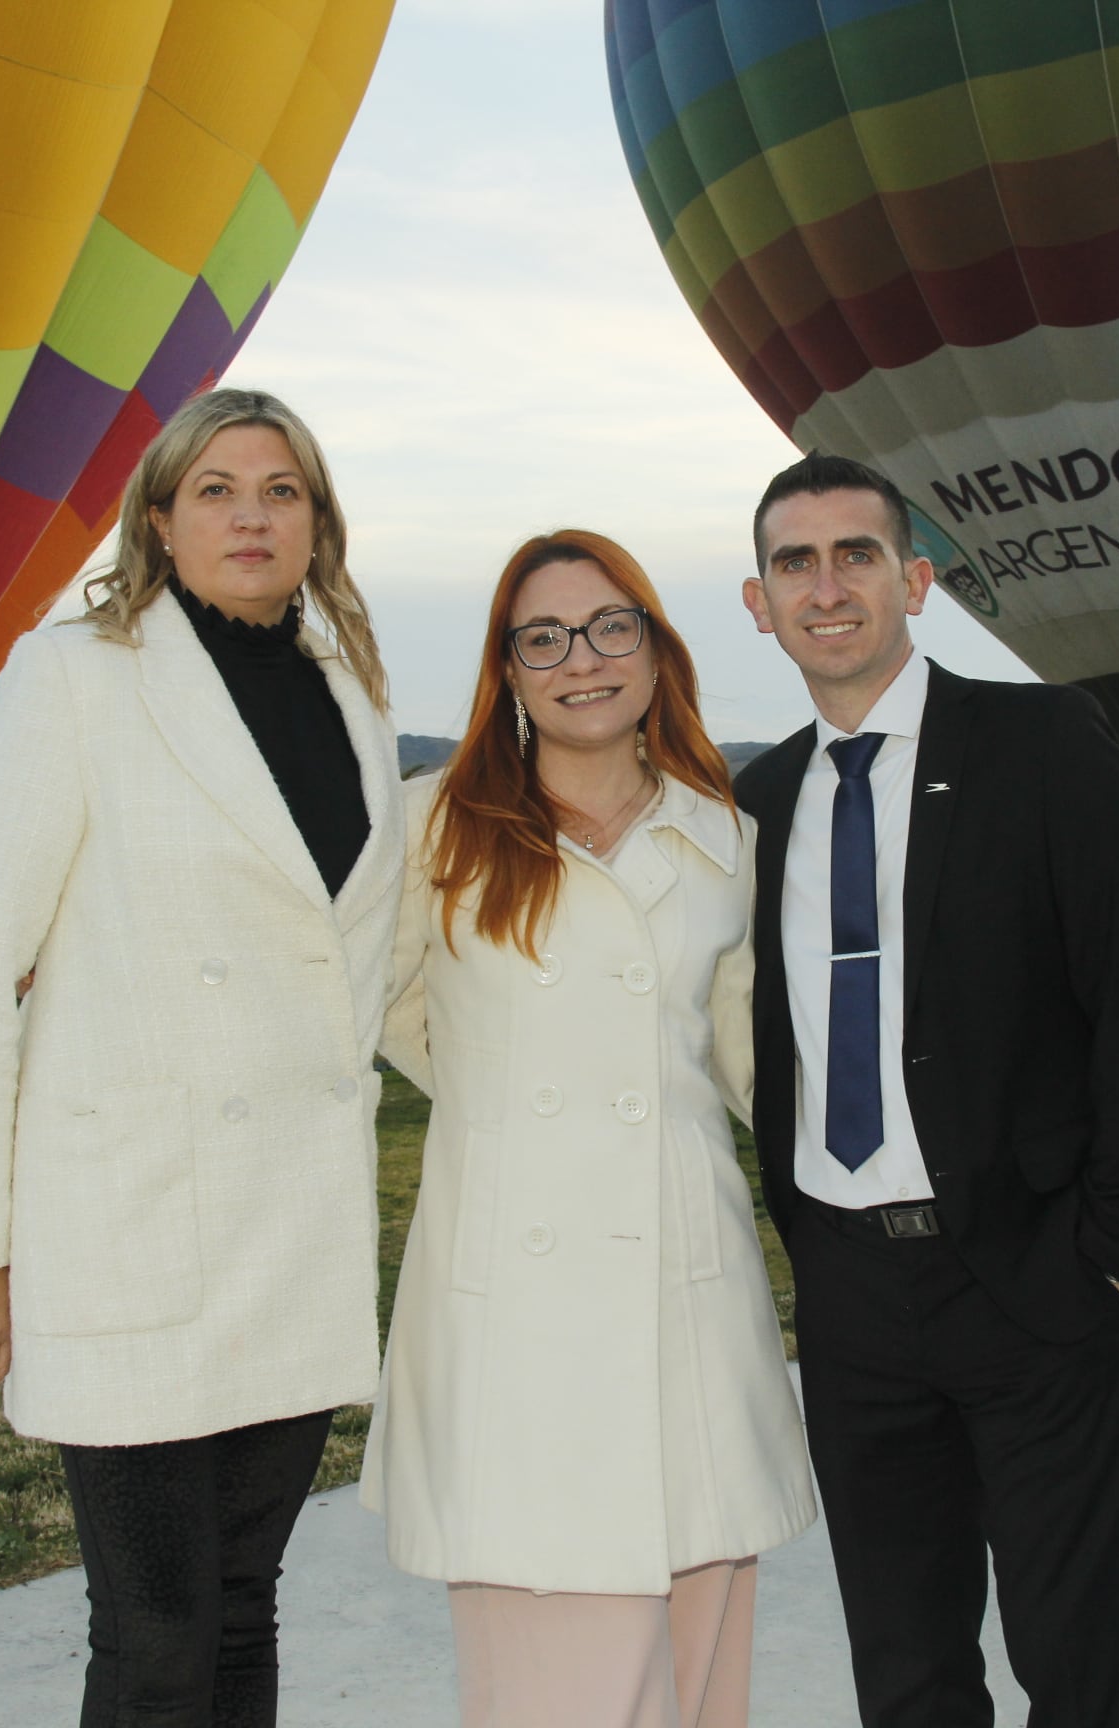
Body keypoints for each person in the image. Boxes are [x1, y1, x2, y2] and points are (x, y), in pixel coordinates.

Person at [0, 387, 405, 1728]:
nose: (252, 515)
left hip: (289, 1233)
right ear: (160, 520)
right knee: (158, 1635)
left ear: (318, 524)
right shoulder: (81, 676)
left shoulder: (349, 691)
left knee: (244, 1613)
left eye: (282, 489)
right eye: (219, 489)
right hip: (126, 1231)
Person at [732, 453, 1119, 1728]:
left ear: (916, 580)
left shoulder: (1043, 745)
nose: (826, 586)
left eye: (856, 555)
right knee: (907, 1670)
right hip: (851, 1300)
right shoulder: (757, 803)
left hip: (1036, 1282)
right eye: (794, 563)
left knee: (1077, 1662)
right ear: (757, 603)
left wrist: (1116, 1255)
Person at [367, 531, 814, 1728]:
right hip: (516, 1317)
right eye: (545, 637)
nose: (583, 659)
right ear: (506, 672)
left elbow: (755, 1064)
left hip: (686, 1297)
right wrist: (504, 1097)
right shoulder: (432, 828)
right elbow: (375, 1004)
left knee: (703, 1649)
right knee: (552, 1679)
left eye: (614, 627)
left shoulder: (724, 838)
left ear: (658, 655)